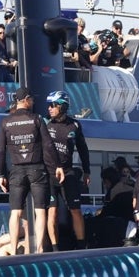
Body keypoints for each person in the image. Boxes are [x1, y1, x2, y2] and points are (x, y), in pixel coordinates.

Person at [0, 86, 57, 255]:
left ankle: (14, 251)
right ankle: (39, 250)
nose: (33, 101)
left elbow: (1, 151)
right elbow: (48, 145)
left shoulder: (5, 122)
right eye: (31, 99)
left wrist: (1, 174)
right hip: (37, 168)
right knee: (40, 211)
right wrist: (57, 166)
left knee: (15, 213)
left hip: (16, 170)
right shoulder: (37, 119)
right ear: (25, 100)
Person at [44, 90, 91, 250]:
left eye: (53, 105)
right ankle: (55, 249)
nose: (49, 108)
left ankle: (81, 246)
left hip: (68, 172)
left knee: (75, 210)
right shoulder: (45, 123)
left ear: (62, 106)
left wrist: (87, 171)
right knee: (52, 212)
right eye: (48, 105)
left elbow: (83, 149)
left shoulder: (75, 125)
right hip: (49, 174)